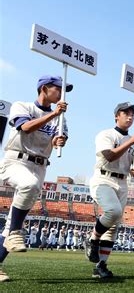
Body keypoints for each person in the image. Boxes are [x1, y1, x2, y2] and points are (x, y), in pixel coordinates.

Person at [0, 75, 71, 282]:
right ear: (44, 88)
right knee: (28, 186)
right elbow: (26, 127)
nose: (61, 94)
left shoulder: (61, 117)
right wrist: (54, 115)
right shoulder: (22, 106)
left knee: (10, 225)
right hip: (16, 160)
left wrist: (59, 140)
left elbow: (60, 139)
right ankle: (15, 230)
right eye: (59, 89)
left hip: (40, 165)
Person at [85, 102, 134, 279]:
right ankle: (92, 239)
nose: (130, 116)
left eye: (132, 113)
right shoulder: (107, 134)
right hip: (104, 178)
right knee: (113, 211)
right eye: (125, 112)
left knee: (113, 227)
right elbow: (109, 156)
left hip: (123, 182)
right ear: (116, 116)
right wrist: (130, 142)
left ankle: (100, 265)